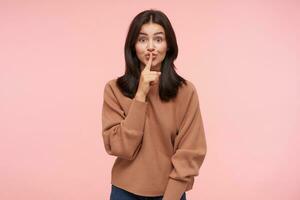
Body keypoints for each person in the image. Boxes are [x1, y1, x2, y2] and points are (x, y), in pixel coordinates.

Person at [101, 9, 207, 200]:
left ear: (169, 46)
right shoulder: (114, 89)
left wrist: (171, 196)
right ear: (133, 46)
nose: (151, 47)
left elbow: (191, 152)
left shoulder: (186, 91)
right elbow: (119, 148)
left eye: (158, 39)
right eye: (142, 40)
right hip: (124, 192)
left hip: (169, 193)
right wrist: (141, 94)